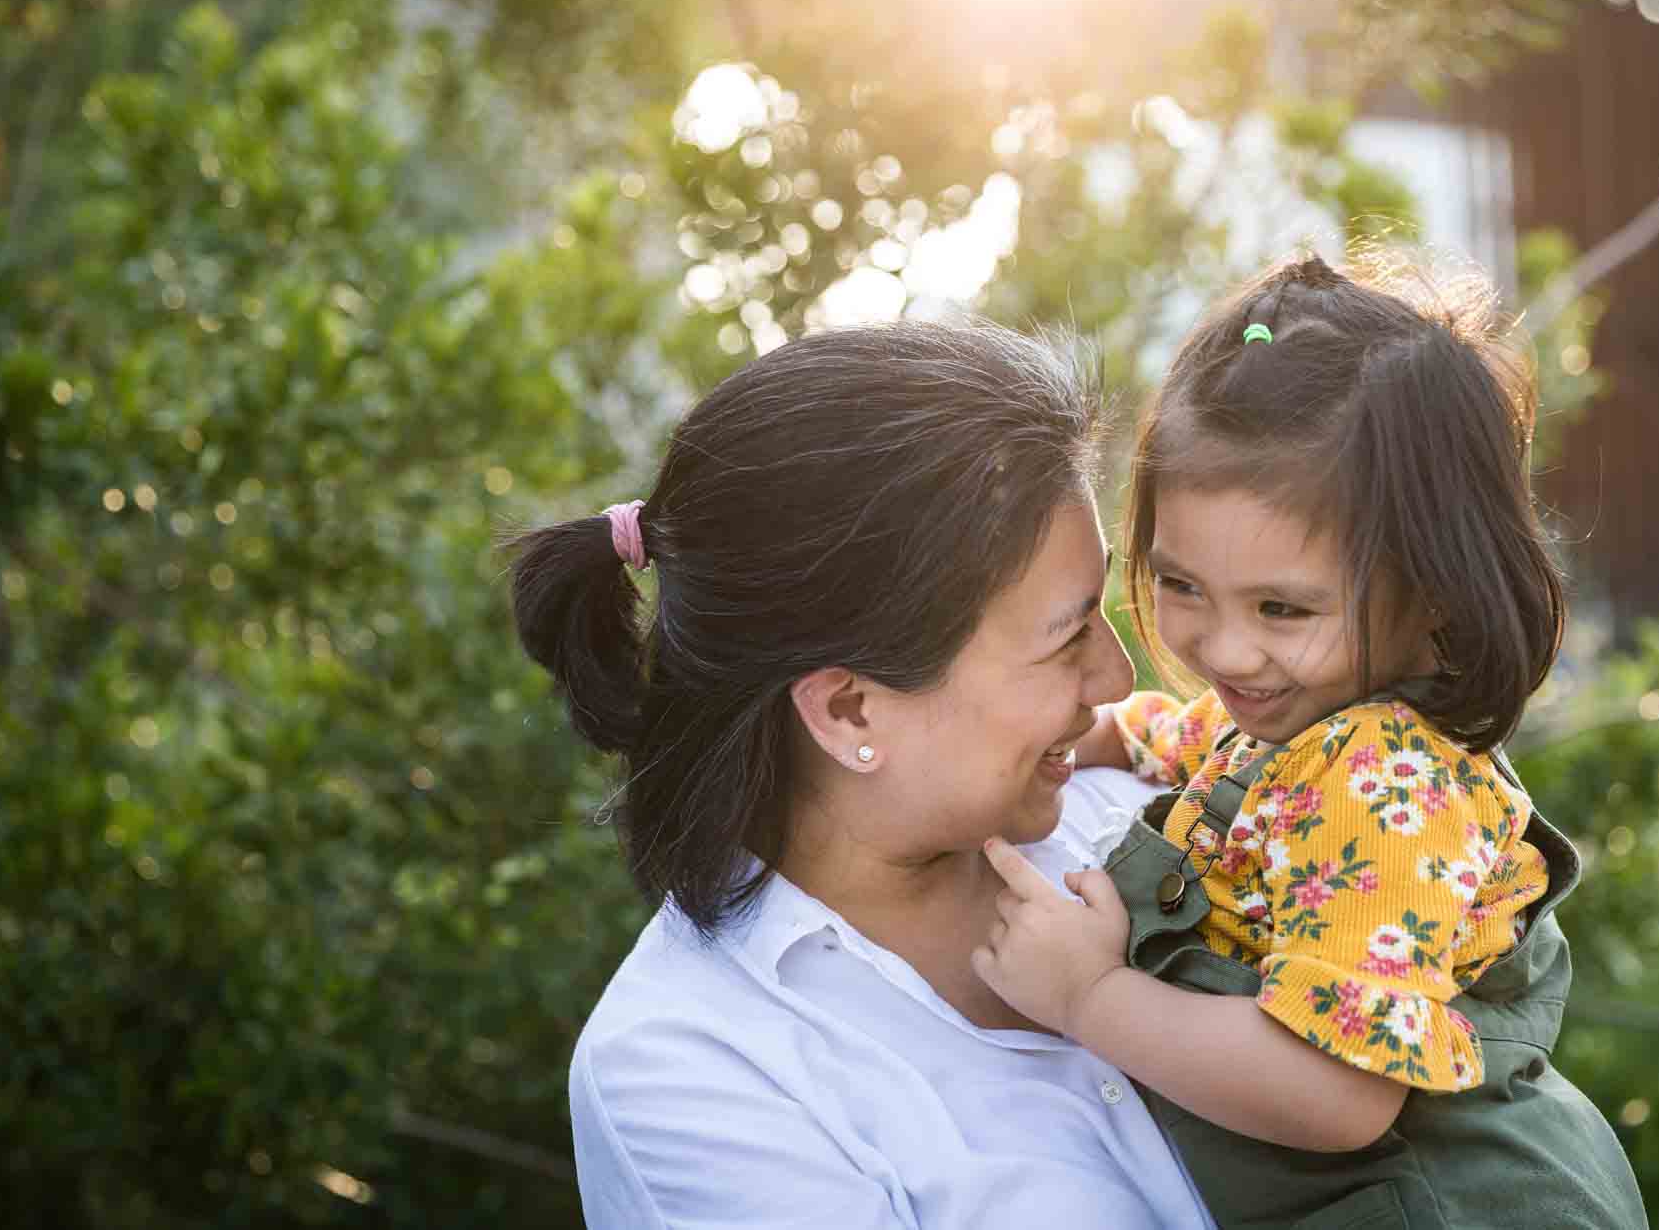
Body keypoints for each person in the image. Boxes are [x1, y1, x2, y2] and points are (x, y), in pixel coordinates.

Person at [971, 254, 1649, 1229]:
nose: (1222, 648)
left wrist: (1088, 997)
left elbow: (1336, 1095)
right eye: (1182, 585)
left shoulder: (1388, 777)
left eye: (1281, 608)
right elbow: (1166, 737)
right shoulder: (1292, 715)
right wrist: (1043, 726)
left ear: (1431, 588)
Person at [510, 319, 1218, 1228]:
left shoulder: (1150, 817)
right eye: (1066, 635)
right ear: (848, 709)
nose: (1119, 679)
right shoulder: (688, 1071)